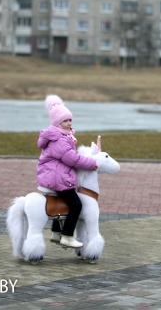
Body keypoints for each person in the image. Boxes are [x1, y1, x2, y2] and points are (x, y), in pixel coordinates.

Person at [36, 95, 98, 248]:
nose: (69, 123)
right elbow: (72, 159)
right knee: (76, 204)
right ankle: (67, 236)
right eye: (65, 121)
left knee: (63, 200)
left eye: (70, 120)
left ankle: (56, 232)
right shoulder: (59, 139)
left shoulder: (63, 136)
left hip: (53, 174)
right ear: (57, 123)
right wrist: (91, 163)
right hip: (57, 177)